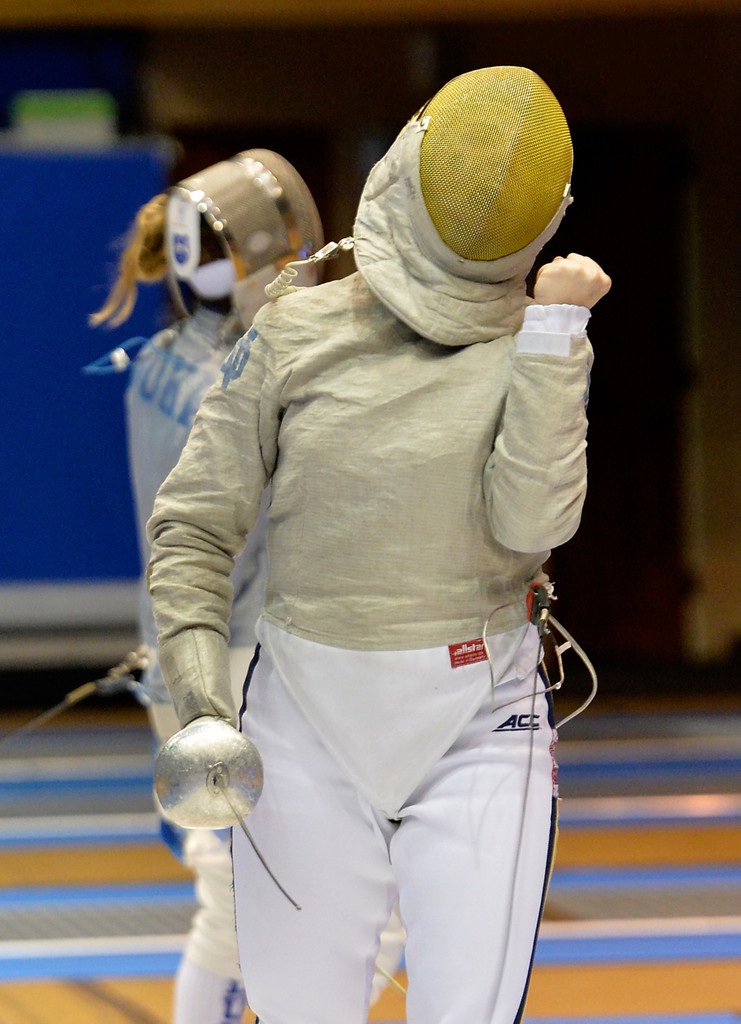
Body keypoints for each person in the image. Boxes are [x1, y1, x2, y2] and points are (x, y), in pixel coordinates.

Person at [147, 66, 611, 1024]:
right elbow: (194, 523)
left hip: (478, 722)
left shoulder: (535, 343)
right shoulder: (295, 330)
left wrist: (557, 336)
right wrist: (202, 704)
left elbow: (531, 523)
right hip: (303, 721)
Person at [92, 149, 404, 1024]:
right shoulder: (247, 378)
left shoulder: (158, 355)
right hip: (245, 670)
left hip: (177, 657)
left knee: (233, 901)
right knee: (343, 903)